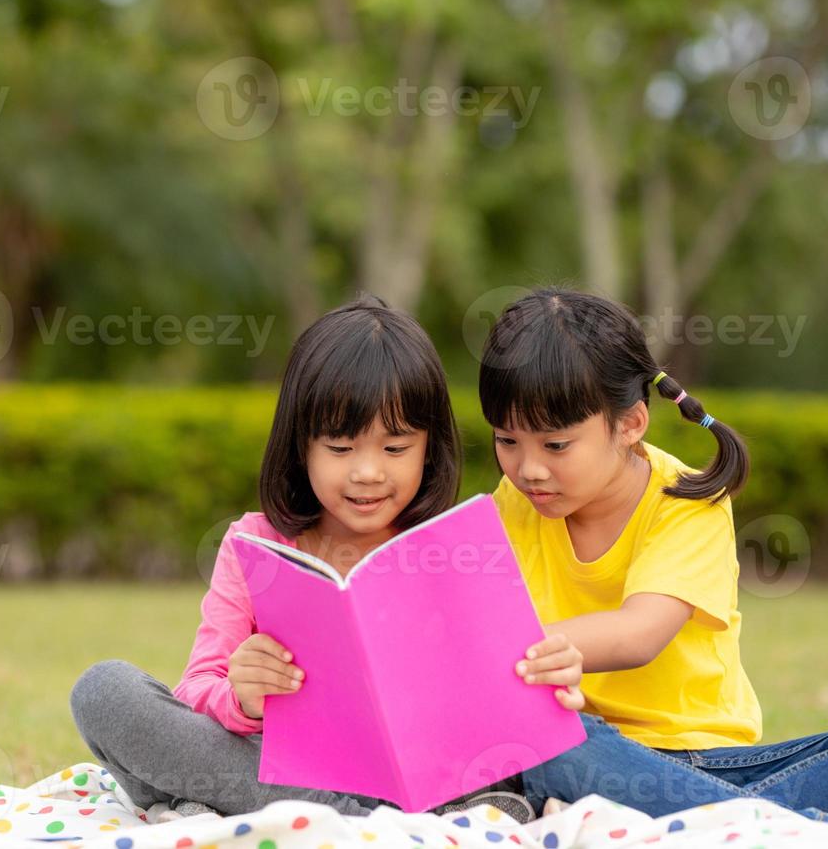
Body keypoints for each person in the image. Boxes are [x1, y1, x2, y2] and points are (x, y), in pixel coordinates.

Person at [70, 294, 582, 822]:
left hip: (425, 776)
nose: (367, 473)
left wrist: (544, 676)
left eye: (395, 448)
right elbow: (197, 688)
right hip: (284, 770)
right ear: (302, 446)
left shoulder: (455, 546)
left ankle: (212, 804)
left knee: (512, 761)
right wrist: (242, 698)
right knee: (106, 691)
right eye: (340, 449)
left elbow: (501, 689)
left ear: (430, 447)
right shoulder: (254, 545)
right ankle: (347, 817)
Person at [480, 287, 828, 821]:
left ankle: (736, 821)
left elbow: (639, 634)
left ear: (629, 424)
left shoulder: (687, 501)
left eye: (555, 445)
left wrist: (529, 651)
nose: (528, 468)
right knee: (555, 742)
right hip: (589, 749)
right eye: (506, 440)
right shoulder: (513, 503)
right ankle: (765, 825)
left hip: (707, 760)